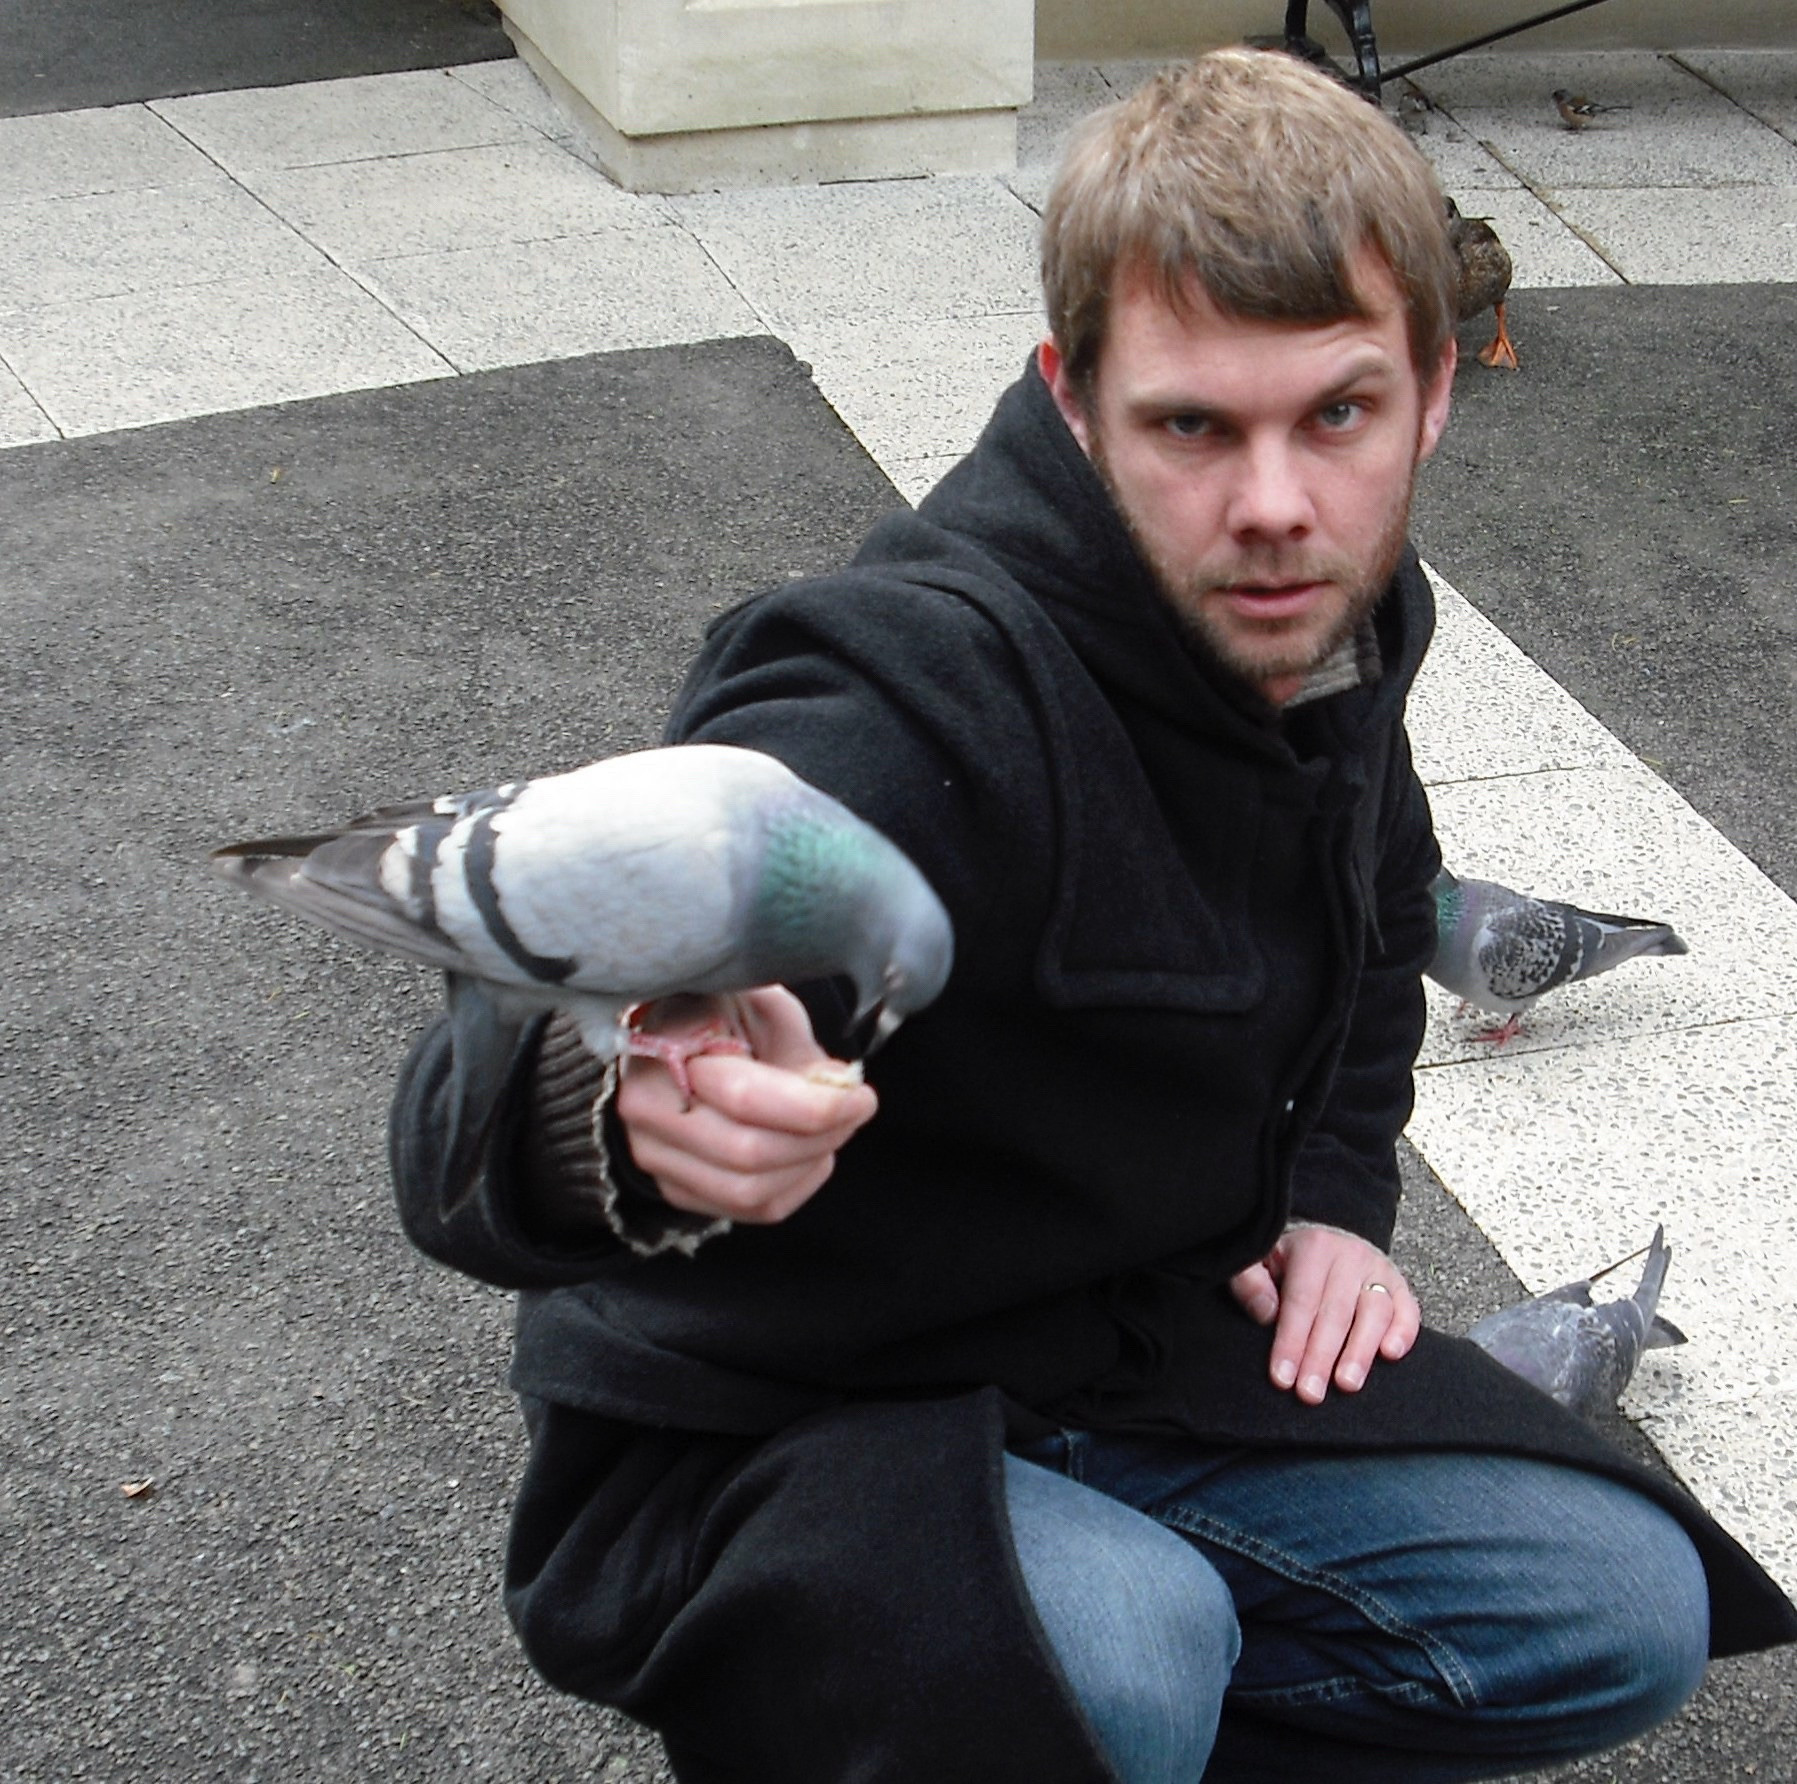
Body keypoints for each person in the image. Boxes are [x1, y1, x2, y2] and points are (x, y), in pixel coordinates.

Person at [391, 47, 1795, 1783]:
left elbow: (1372, 935)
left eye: (1333, 414)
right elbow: (504, 1061)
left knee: (1608, 1607)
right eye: (1191, 424)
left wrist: (1345, 1204)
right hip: (782, 1435)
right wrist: (606, 1091)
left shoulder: (1343, 617)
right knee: (1124, 1646)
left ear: (1432, 390)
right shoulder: (913, 681)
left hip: (1119, 1370)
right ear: (1073, 401)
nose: (1274, 504)